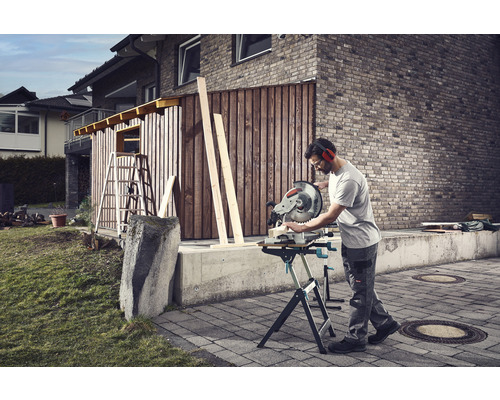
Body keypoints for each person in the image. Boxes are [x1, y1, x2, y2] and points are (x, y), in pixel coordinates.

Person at [282, 138, 400, 354]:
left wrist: (301, 227)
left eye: (317, 164)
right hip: (353, 240)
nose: (317, 169)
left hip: (361, 244)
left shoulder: (348, 181)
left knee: (359, 293)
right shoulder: (337, 173)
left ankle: (356, 338)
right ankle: (385, 323)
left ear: (328, 156)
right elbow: (336, 184)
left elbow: (330, 216)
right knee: (361, 287)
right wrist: (323, 185)